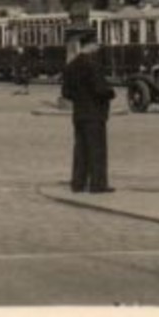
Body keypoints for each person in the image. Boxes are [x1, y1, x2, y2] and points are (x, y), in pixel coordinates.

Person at [61, 29, 116, 194]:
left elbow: (66, 93)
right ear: (91, 45)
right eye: (96, 44)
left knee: (80, 149)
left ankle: (78, 183)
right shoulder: (93, 65)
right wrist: (111, 93)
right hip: (94, 113)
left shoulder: (71, 65)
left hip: (79, 113)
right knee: (96, 149)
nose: (98, 48)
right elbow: (100, 90)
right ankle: (98, 184)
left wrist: (79, 98)